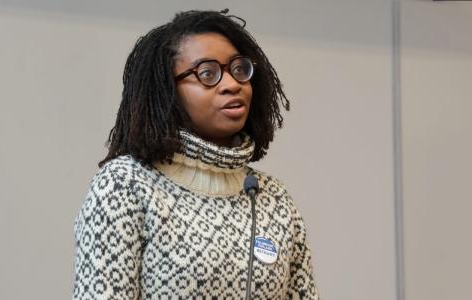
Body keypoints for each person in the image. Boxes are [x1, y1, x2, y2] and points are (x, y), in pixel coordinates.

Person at [72, 9, 319, 300]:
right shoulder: (125, 186)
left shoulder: (273, 199)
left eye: (239, 69)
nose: (231, 84)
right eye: (207, 74)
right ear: (168, 91)